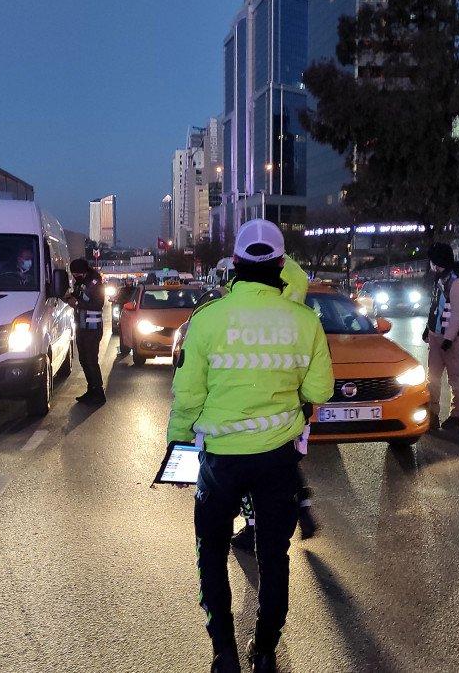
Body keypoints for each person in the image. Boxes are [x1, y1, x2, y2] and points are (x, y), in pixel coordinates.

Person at [169, 219, 334, 673]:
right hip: (277, 462)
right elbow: (319, 390)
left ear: (234, 266)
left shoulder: (206, 322)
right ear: (280, 264)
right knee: (273, 557)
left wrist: (179, 451)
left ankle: (223, 652)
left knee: (212, 552)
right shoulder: (305, 323)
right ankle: (264, 651)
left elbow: (187, 399)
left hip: (219, 464)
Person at [230, 253, 320, 553]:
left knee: (246, 466)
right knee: (287, 459)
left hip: (254, 398)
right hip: (292, 399)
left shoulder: (253, 312)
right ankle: (302, 508)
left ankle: (252, 528)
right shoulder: (299, 312)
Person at [422, 242, 459, 430]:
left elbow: (458, 314)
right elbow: (436, 306)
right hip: (436, 336)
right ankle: (432, 415)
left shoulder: (457, 282)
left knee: (455, 378)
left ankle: (457, 415)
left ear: (438, 262)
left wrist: (449, 339)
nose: (431, 266)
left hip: (454, 339)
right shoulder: (440, 279)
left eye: (432, 262)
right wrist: (428, 328)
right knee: (432, 377)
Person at [68, 258, 106, 405]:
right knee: (83, 360)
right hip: (82, 327)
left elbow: (98, 304)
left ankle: (98, 392)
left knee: (91, 360)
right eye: (73, 274)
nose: (75, 276)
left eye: (77, 273)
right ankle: (91, 389)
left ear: (84, 272)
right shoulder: (80, 283)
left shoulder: (95, 283)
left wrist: (76, 303)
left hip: (92, 329)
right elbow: (78, 296)